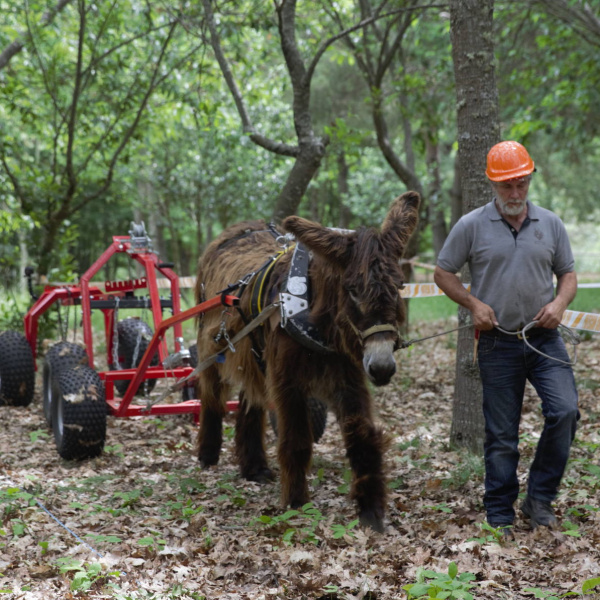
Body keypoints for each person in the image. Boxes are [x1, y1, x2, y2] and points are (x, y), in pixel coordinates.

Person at [434, 140, 579, 535]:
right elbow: (443, 273)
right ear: (492, 184)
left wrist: (560, 304)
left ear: (529, 178)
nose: (515, 193)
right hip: (497, 342)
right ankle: (499, 512)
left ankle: (540, 498)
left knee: (565, 412)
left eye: (521, 184)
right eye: (506, 186)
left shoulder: (550, 224)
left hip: (544, 339)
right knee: (502, 435)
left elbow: (567, 274)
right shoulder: (470, 225)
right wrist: (473, 304)